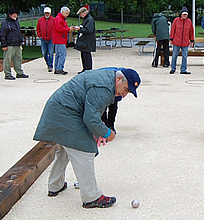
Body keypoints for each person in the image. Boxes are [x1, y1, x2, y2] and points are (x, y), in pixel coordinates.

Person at [33, 68, 141, 208]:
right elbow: (90, 118)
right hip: (65, 113)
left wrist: (97, 130)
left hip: (60, 110)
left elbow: (92, 110)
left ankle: (55, 185)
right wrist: (108, 133)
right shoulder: (104, 87)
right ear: (119, 79)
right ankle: (91, 197)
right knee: (85, 149)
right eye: (126, 89)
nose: (124, 95)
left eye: (128, 92)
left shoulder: (107, 79)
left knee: (65, 148)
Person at [0, 7, 28, 80]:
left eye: (15, 14)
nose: (14, 15)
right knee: (7, 59)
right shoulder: (5, 23)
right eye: (13, 14)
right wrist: (4, 45)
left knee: (18, 59)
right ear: (9, 15)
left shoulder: (16, 22)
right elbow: (2, 34)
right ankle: (7, 74)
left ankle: (19, 72)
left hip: (17, 44)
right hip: (9, 44)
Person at [169, 7, 195, 75]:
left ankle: (183, 69)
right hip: (176, 42)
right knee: (174, 55)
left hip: (185, 42)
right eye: (183, 14)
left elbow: (191, 32)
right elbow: (172, 30)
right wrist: (171, 39)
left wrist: (192, 41)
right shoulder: (176, 20)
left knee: (185, 56)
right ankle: (173, 68)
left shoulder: (189, 22)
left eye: (186, 14)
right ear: (181, 14)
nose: (184, 15)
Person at [74, 6, 96, 72]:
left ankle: (88, 69)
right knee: (83, 55)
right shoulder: (86, 19)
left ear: (84, 13)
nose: (80, 16)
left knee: (87, 55)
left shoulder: (90, 19)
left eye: (81, 14)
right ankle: (85, 68)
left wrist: (80, 29)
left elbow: (89, 30)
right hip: (84, 40)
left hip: (88, 41)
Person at [52, 6, 73, 75]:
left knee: (58, 54)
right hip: (59, 39)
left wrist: (68, 30)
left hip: (59, 39)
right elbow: (59, 29)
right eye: (66, 13)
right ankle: (59, 68)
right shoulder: (59, 19)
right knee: (63, 54)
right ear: (63, 12)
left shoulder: (60, 19)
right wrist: (68, 29)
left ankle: (57, 68)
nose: (67, 15)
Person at [36, 7, 54, 72]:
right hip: (43, 39)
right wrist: (39, 35)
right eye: (46, 13)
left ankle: (50, 65)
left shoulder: (53, 20)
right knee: (44, 53)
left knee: (51, 52)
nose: (47, 14)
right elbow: (38, 28)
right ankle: (48, 63)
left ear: (50, 13)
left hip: (51, 39)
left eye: (48, 13)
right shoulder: (40, 20)